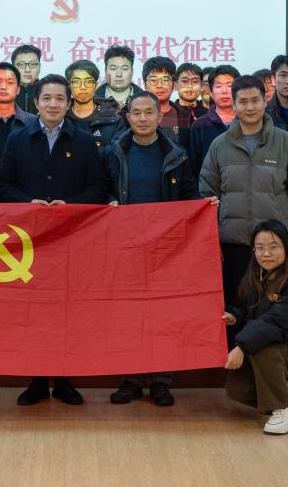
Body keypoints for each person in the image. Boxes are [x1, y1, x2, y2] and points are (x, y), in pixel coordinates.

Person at [0, 74, 110, 406]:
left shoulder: (84, 141)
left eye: (60, 98)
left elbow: (99, 188)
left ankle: (64, 380)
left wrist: (70, 205)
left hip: (71, 240)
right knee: (33, 312)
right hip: (29, 243)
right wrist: (27, 204)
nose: (53, 104)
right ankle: (36, 380)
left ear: (68, 103)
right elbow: (3, 185)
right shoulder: (18, 139)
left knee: (68, 311)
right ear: (36, 102)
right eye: (47, 98)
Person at [102, 93, 203, 407]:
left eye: (149, 112)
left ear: (160, 117)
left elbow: (189, 194)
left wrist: (203, 207)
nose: (143, 118)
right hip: (125, 247)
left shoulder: (176, 154)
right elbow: (101, 189)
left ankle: (161, 380)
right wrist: (109, 202)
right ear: (128, 117)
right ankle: (130, 379)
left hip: (166, 249)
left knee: (163, 314)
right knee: (129, 315)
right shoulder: (113, 152)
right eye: (137, 113)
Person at [199, 75, 288, 306]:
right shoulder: (219, 145)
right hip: (232, 247)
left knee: (272, 310)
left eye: (255, 100)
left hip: (275, 246)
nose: (250, 107)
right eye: (243, 101)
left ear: (265, 101)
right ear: (234, 104)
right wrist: (211, 242)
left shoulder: (286, 143)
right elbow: (207, 196)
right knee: (235, 309)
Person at [223, 220, 288, 435]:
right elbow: (245, 307)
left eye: (273, 247)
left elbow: (275, 322)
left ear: (286, 247)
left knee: (263, 344)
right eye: (259, 248)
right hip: (267, 341)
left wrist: (241, 346)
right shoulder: (256, 275)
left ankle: (283, 410)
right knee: (238, 390)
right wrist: (234, 316)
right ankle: (285, 389)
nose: (266, 253)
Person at [188, 64, 240, 174]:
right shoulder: (200, 126)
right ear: (211, 93)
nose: (224, 91)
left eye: (229, 86)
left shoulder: (248, 122)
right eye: (218, 86)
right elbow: (193, 167)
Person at [64, 60, 122, 149]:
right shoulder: (60, 118)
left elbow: (117, 153)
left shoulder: (114, 119)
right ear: (69, 86)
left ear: (96, 85)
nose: (83, 87)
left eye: (88, 81)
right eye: (76, 82)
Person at [142, 56, 193, 149]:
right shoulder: (133, 115)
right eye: (153, 80)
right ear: (145, 84)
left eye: (165, 80)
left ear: (174, 84)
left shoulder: (186, 116)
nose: (159, 85)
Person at [11, 44, 41, 114]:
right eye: (21, 65)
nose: (27, 70)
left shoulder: (47, 91)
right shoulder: (3, 93)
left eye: (33, 64)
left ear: (39, 66)